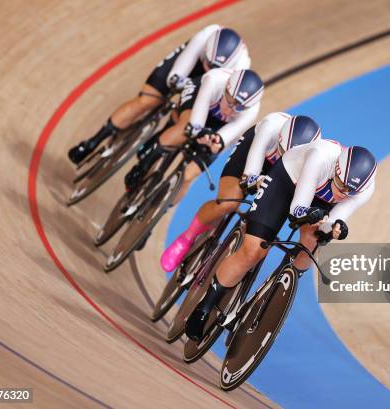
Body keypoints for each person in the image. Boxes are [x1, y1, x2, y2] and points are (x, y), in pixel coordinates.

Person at [185, 142, 378, 341]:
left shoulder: (365, 189)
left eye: (350, 191)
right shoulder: (320, 157)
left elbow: (332, 221)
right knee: (253, 252)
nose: (343, 193)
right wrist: (311, 214)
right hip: (286, 181)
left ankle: (280, 287)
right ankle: (204, 307)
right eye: (341, 184)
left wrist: (336, 227)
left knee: (312, 245)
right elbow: (297, 210)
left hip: (320, 200)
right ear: (336, 168)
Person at [160, 113, 322, 272]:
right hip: (255, 154)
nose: (282, 155)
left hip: (288, 174)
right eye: (281, 149)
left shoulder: (315, 159)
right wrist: (253, 179)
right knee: (228, 202)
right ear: (280, 136)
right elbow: (250, 172)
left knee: (261, 236)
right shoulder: (270, 126)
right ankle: (187, 237)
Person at [68, 25, 250, 164]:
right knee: (147, 100)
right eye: (208, 63)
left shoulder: (239, 70)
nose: (208, 68)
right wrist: (176, 81)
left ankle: (161, 136)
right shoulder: (205, 36)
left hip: (215, 86)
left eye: (213, 67)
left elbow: (207, 104)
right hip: (191, 61)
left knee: (187, 117)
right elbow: (181, 67)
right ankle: (94, 141)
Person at [123, 68, 265, 209]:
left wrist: (215, 142)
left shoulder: (251, 110)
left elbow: (224, 138)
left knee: (190, 174)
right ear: (227, 87)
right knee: (183, 129)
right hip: (199, 100)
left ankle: (158, 210)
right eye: (230, 99)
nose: (230, 109)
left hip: (219, 126)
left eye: (239, 107)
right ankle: (143, 166)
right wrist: (198, 131)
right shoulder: (214, 80)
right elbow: (196, 121)